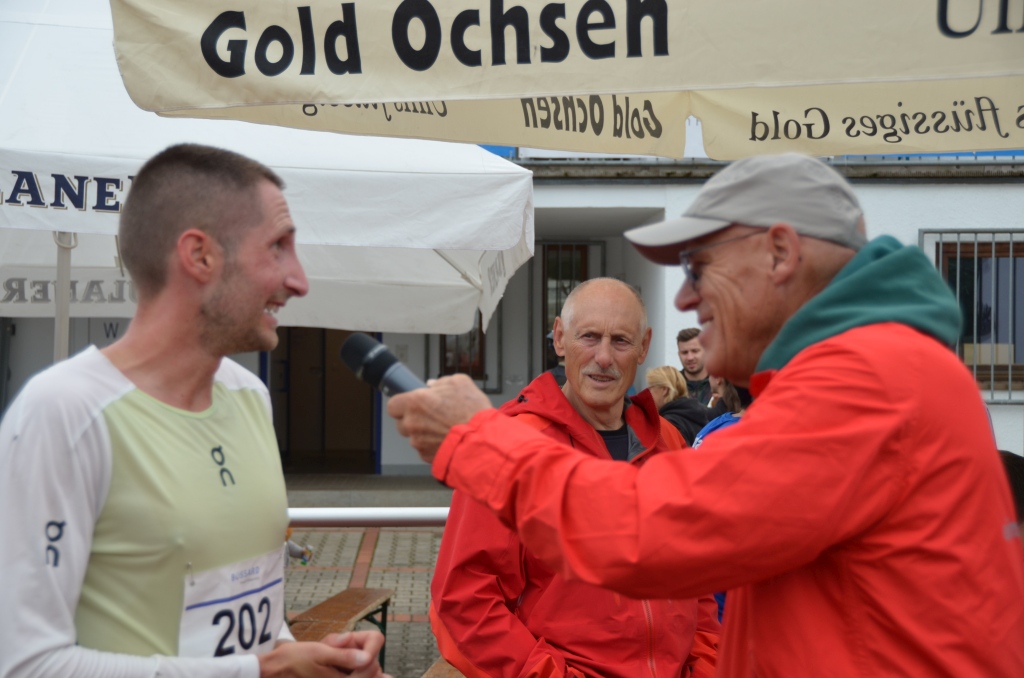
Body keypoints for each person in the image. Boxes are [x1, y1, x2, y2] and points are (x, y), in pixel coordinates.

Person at [388, 153, 1024, 676]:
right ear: (559, 339)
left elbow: (650, 534)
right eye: (589, 338)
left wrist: (478, 440)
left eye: (698, 267)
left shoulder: (867, 378)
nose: (686, 298)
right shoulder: (880, 366)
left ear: (780, 253)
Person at [0, 144, 387, 678]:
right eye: (277, 247)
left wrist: (311, 660)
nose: (299, 280)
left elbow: (248, 603)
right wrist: (260, 671)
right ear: (200, 255)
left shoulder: (250, 397)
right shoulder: (63, 412)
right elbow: (26, 664)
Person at [431, 279, 719, 678]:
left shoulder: (667, 442)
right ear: (560, 338)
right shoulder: (508, 446)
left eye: (621, 341)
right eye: (589, 337)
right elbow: (464, 599)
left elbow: (697, 578)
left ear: (644, 347)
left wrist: (706, 667)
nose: (604, 357)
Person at [645, 365, 710, 446]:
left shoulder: (669, 423)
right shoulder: (698, 414)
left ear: (664, 389)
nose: (647, 393)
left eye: (650, 388)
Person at [677, 327, 711, 404]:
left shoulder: (720, 384)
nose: (690, 358)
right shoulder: (672, 385)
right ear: (679, 354)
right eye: (684, 352)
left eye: (695, 351)